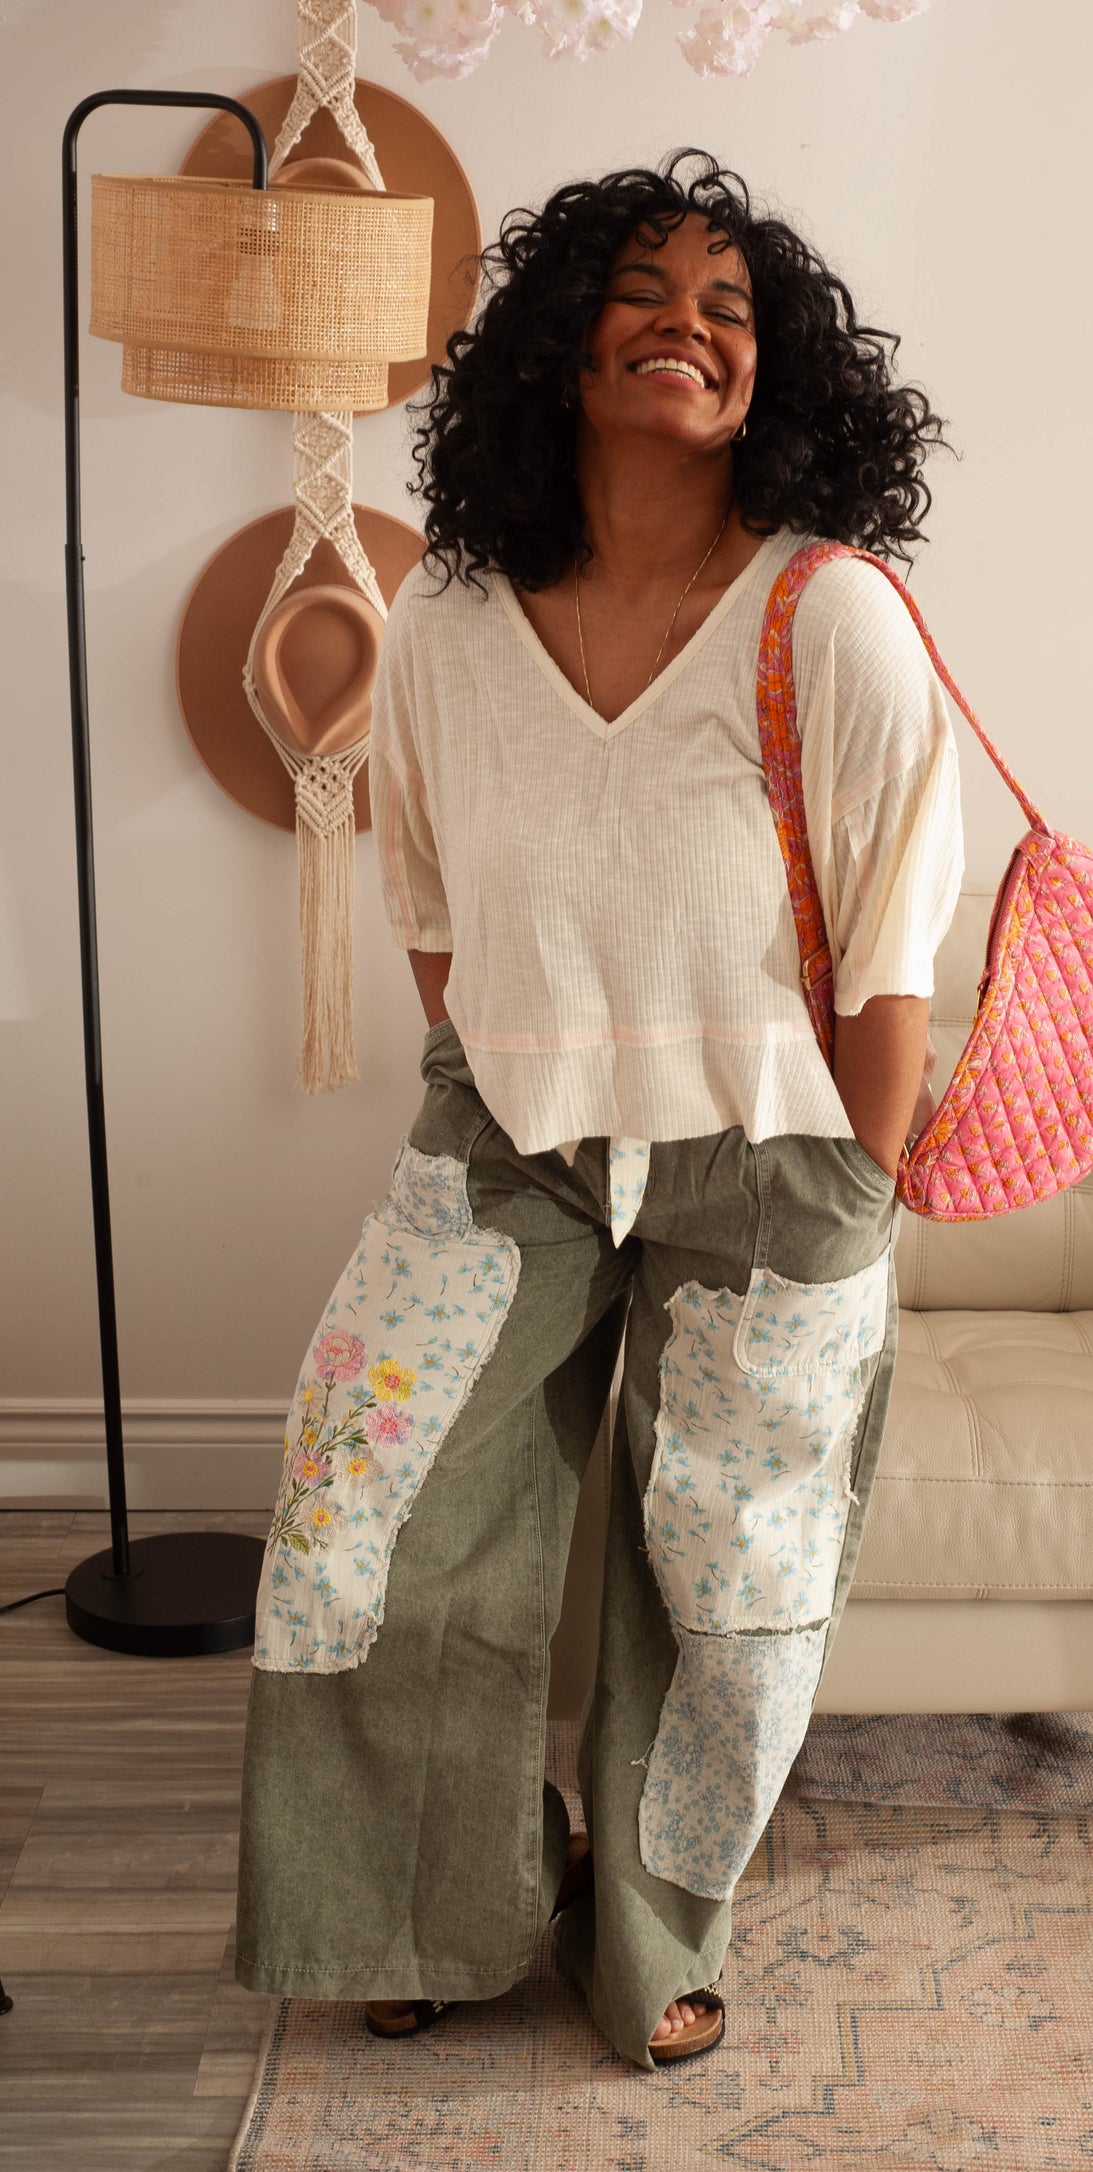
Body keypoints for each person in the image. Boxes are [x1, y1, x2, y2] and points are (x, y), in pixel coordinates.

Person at [234, 147, 964, 2070]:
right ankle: (426, 1902)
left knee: (730, 1589)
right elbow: (431, 912)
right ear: (558, 346)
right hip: (511, 1148)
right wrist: (503, 1069)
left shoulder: (834, 616)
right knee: (365, 1519)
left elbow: (891, 944)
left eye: (729, 307)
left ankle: (654, 1940)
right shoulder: (453, 625)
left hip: (782, 1151)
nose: (687, 326)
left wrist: (858, 1190)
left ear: (776, 373)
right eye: (645, 292)